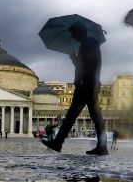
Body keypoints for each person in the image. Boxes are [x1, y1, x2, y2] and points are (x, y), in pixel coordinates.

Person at [42, 21, 108, 155]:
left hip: (86, 85)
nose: (73, 37)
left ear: (80, 31)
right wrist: (75, 59)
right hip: (89, 84)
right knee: (92, 118)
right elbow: (85, 65)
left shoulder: (88, 44)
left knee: (75, 116)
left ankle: (58, 143)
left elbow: (89, 66)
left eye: (73, 33)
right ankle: (101, 147)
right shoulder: (88, 44)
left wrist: (77, 65)